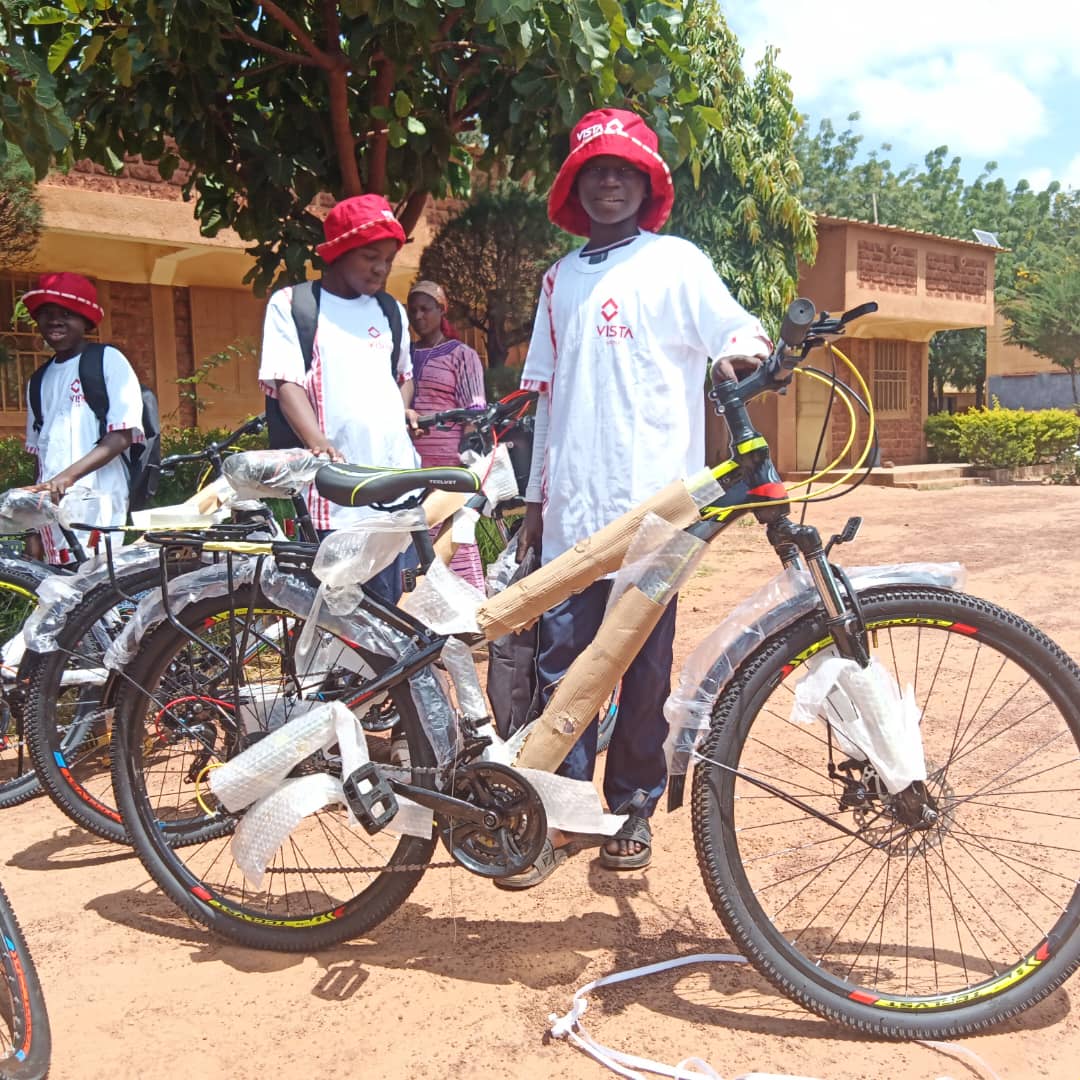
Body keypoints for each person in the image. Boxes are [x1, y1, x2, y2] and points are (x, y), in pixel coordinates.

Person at [499, 108, 771, 889]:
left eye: (624, 171)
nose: (610, 183)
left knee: (644, 667)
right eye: (596, 171)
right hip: (574, 514)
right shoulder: (559, 280)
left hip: (659, 513)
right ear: (575, 187)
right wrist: (537, 503)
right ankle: (562, 810)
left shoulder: (676, 263)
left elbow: (735, 330)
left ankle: (632, 808)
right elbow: (547, 399)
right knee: (564, 665)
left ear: (648, 185)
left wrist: (743, 356)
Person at [258, 194, 420, 604]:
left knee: (393, 611)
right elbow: (287, 384)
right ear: (339, 251)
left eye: (388, 259)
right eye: (370, 257)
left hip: (396, 484)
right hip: (337, 493)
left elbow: (402, 377)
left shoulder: (390, 311)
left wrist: (403, 409)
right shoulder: (293, 306)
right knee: (339, 610)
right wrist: (318, 443)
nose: (381, 268)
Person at [22, 272, 145, 565]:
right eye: (47, 314)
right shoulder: (37, 381)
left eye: (66, 314)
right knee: (57, 580)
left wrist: (67, 477)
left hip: (98, 499)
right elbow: (41, 454)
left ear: (85, 321)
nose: (55, 321)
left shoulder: (107, 360)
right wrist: (32, 523)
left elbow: (120, 436)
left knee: (95, 577)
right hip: (53, 502)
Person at [406, 280, 487, 591]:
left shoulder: (461, 355)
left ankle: (466, 606)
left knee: (453, 538)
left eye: (425, 309)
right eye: (413, 310)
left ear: (442, 310)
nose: (418, 316)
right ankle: (415, 607)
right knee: (414, 539)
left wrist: (465, 463)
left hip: (447, 468)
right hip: (409, 470)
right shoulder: (403, 356)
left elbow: (475, 410)